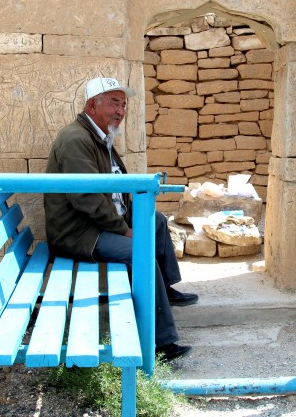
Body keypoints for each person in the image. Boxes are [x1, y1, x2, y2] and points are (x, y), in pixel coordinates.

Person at [44, 76, 197, 361]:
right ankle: (160, 342)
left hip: (98, 223)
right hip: (80, 233)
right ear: (92, 105)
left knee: (156, 221)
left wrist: (128, 218)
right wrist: (124, 230)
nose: (120, 111)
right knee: (139, 253)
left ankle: (164, 289)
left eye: (123, 105)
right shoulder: (77, 140)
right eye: (114, 103)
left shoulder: (98, 136)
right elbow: (86, 198)